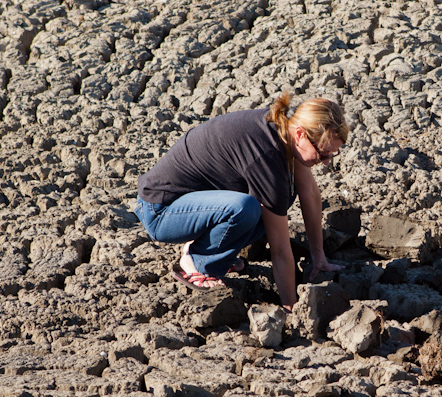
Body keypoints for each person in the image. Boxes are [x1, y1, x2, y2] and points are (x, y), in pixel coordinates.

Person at [134, 93, 349, 307]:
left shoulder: (286, 130)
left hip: (192, 203)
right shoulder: (266, 155)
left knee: (281, 197)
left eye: (332, 154)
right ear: (301, 134)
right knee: (246, 208)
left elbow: (309, 192)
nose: (327, 162)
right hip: (161, 210)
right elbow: (281, 251)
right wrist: (291, 308)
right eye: (323, 154)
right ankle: (198, 262)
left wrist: (319, 257)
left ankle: (212, 248)